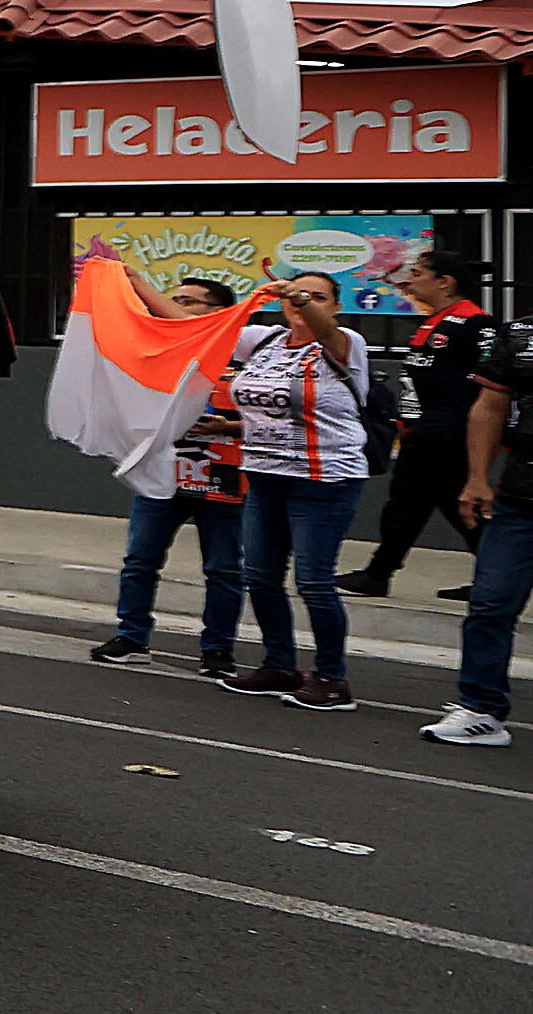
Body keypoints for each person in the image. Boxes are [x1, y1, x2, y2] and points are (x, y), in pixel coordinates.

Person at [228, 270, 375, 713]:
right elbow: (193, 326)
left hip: (324, 479)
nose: (303, 302)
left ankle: (331, 678)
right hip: (264, 476)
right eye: (296, 295)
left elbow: (325, 331)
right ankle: (279, 665)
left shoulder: (346, 342)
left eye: (317, 297)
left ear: (336, 307)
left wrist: (298, 296)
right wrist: (133, 282)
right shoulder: (264, 340)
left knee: (313, 581)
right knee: (259, 576)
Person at [88, 277, 245, 676]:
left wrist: (228, 427)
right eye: (175, 299)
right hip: (164, 473)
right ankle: (131, 637)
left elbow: (273, 416)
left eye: (188, 302)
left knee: (224, 569)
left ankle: (218, 649)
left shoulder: (247, 351)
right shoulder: (160, 350)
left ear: (218, 311)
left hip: (224, 476)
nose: (175, 307)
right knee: (140, 560)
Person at [346, 247, 488, 600]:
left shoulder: (473, 323)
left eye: (418, 273)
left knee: (440, 505)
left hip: (449, 433)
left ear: (445, 282)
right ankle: (379, 573)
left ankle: (496, 578)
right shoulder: (433, 320)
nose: (410, 281)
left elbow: (490, 383)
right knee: (411, 505)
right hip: (422, 430)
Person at [431, 322, 528, 746]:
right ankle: (481, 710)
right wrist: (477, 478)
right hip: (521, 497)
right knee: (490, 602)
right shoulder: (520, 335)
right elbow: (490, 407)